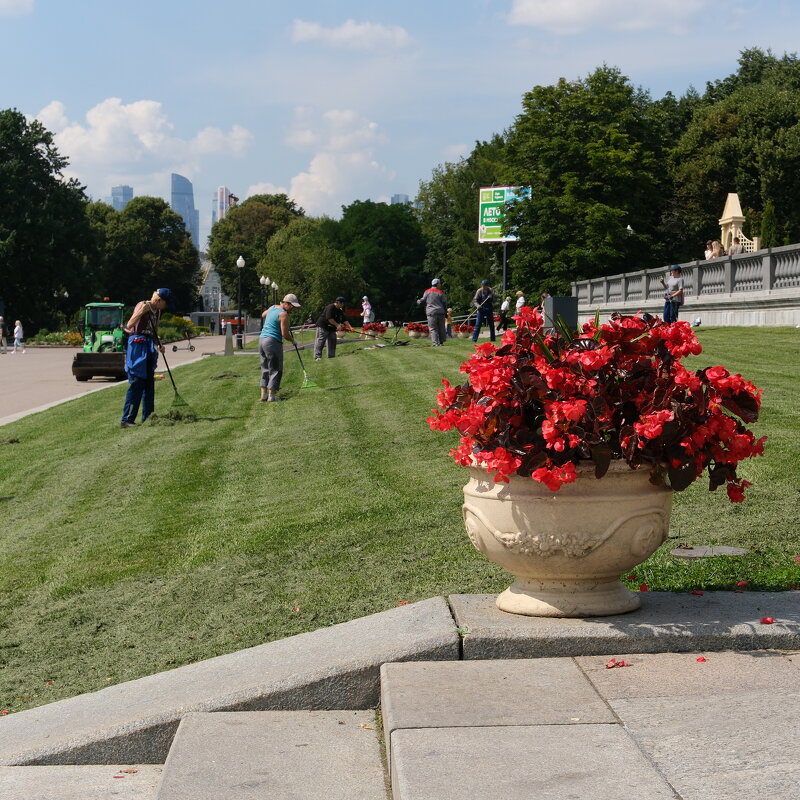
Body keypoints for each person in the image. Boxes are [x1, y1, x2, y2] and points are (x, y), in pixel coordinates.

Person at [120, 288, 174, 427]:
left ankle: (149, 417)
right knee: (138, 382)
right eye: (165, 303)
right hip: (137, 346)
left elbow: (154, 331)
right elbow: (130, 325)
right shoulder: (142, 305)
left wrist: (159, 344)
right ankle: (127, 419)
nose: (166, 307)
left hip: (149, 346)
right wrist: (141, 312)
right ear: (158, 300)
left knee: (149, 383)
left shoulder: (158, 311)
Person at [260, 293, 301, 402]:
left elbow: (263, 315)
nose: (292, 309)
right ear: (287, 303)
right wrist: (293, 340)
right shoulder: (283, 314)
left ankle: (264, 395)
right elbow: (284, 334)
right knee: (275, 368)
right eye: (292, 306)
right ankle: (271, 396)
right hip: (272, 341)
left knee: (265, 367)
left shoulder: (273, 307)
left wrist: (272, 313)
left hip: (262, 340)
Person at [314, 296, 347, 360]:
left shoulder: (339, 310)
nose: (343, 304)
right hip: (323, 326)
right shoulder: (330, 307)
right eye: (342, 303)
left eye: (343, 303)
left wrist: (350, 327)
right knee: (320, 341)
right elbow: (329, 319)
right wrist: (337, 325)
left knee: (332, 341)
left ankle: (331, 356)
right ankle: (317, 357)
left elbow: (344, 320)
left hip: (331, 328)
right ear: (337, 302)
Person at [417, 278, 447, 346]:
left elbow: (423, 300)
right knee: (441, 328)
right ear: (437, 284)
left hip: (431, 312)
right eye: (440, 283)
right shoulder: (441, 292)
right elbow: (444, 303)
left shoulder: (427, 291)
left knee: (433, 328)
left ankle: (435, 343)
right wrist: (445, 312)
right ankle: (441, 342)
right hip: (440, 312)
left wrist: (418, 301)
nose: (440, 284)